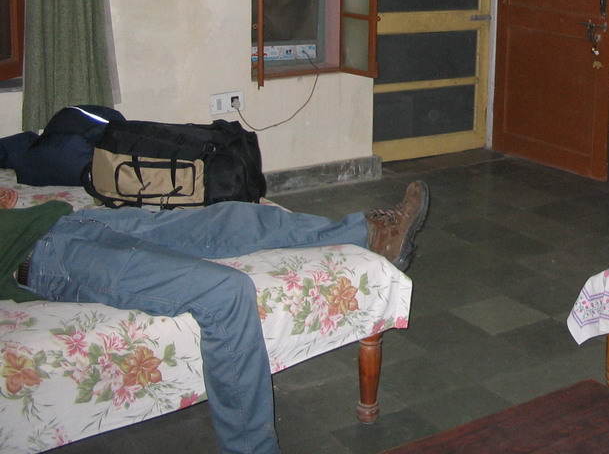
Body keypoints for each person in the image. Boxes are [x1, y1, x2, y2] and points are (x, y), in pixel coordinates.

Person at [0, 181, 429, 454]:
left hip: (67, 222)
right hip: (48, 259)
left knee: (230, 220)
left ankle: (373, 235)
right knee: (226, 291)